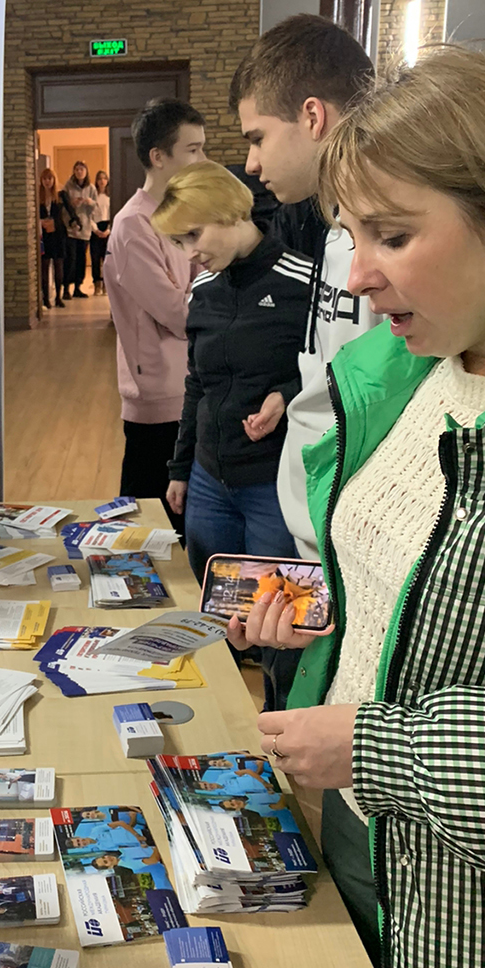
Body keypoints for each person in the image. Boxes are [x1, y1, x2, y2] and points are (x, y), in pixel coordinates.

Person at [236, 45, 485, 968]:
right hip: (359, 845)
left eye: (393, 236)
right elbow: (402, 589)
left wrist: (377, 745)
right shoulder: (415, 372)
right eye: (352, 236)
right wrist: (306, 614)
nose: (357, 275)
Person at [154, 163, 310, 707]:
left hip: (272, 484)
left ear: (228, 212)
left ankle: (280, 724)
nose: (189, 253)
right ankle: (215, 717)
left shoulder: (303, 281)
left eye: (193, 235)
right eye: (179, 242)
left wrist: (286, 395)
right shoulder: (203, 288)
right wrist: (180, 469)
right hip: (209, 478)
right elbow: (196, 384)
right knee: (218, 617)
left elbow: (333, 369)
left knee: (279, 623)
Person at [229, 14, 377, 557]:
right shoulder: (335, 231)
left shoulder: (386, 244)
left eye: (258, 138)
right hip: (316, 523)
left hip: (357, 534)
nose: (251, 163)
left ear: (312, 116)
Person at [103, 98, 207, 523]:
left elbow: (205, 284)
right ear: (158, 157)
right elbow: (181, 314)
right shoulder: (134, 225)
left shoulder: (180, 213)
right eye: (193, 150)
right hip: (158, 395)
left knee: (183, 519)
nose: (203, 160)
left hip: (191, 383)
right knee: (149, 522)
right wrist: (206, 297)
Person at [61, 159, 97, 298]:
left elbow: (96, 208)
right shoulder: (68, 186)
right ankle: (66, 288)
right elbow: (62, 206)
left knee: (81, 260)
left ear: (86, 171)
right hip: (71, 229)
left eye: (82, 169)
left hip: (85, 228)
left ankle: (78, 287)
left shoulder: (91, 188)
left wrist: (90, 202)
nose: (79, 172)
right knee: (70, 259)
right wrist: (72, 203)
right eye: (77, 169)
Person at [39, 165, 67, 308]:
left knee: (58, 265)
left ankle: (58, 297)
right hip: (44, 235)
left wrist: (74, 222)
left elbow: (69, 211)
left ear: (54, 180)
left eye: (50, 178)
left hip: (58, 234)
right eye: (44, 179)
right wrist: (41, 222)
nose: (47, 181)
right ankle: (45, 298)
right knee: (44, 266)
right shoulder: (38, 196)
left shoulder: (61, 195)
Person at [90, 169, 112, 294]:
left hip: (107, 227)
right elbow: (90, 215)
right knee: (95, 258)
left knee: (107, 259)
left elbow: (113, 213)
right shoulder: (93, 196)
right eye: (99, 179)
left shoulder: (110, 196)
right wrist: (95, 230)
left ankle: (106, 284)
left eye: (104, 178)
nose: (102, 181)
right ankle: (97, 284)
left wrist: (108, 230)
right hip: (96, 228)